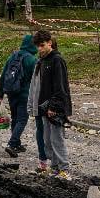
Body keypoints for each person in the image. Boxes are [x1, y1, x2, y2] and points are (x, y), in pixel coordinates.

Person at [28, 31, 73, 179]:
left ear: (49, 43)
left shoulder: (57, 60)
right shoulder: (41, 61)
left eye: (42, 45)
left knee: (56, 139)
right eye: (37, 46)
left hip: (55, 108)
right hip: (43, 107)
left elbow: (60, 87)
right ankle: (54, 168)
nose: (39, 49)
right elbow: (36, 86)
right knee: (47, 140)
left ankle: (64, 169)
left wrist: (54, 107)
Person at [0, 34, 39, 158]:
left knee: (15, 118)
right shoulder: (32, 60)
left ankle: (16, 143)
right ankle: (11, 144)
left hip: (11, 91)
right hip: (24, 94)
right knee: (22, 119)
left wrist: (1, 93)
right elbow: (38, 80)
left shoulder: (13, 56)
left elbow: (4, 74)